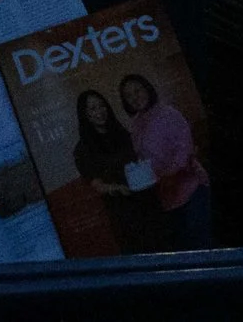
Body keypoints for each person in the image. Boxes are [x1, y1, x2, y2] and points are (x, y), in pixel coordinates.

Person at [122, 72, 211, 250]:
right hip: (166, 200)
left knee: (205, 246)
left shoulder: (168, 113)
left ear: (147, 89)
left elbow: (185, 150)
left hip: (191, 190)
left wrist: (168, 175)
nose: (135, 97)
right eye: (128, 95)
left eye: (137, 90)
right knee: (186, 249)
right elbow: (142, 159)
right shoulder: (136, 125)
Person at [72, 88, 162, 253]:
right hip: (124, 211)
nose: (100, 111)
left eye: (102, 106)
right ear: (85, 114)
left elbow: (139, 159)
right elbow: (97, 184)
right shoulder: (83, 149)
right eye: (93, 108)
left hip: (148, 200)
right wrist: (116, 188)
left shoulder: (121, 133)